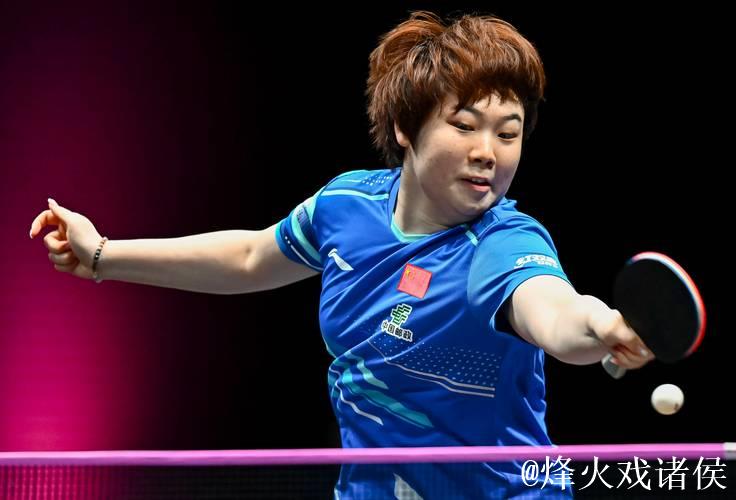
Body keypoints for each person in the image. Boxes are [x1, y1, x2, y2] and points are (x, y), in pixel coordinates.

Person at [29, 10, 654, 499]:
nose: (488, 151)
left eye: (508, 133)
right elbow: (250, 256)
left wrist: (601, 326)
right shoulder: (347, 206)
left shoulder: (502, 242)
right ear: (406, 128)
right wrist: (103, 255)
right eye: (464, 125)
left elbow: (553, 313)